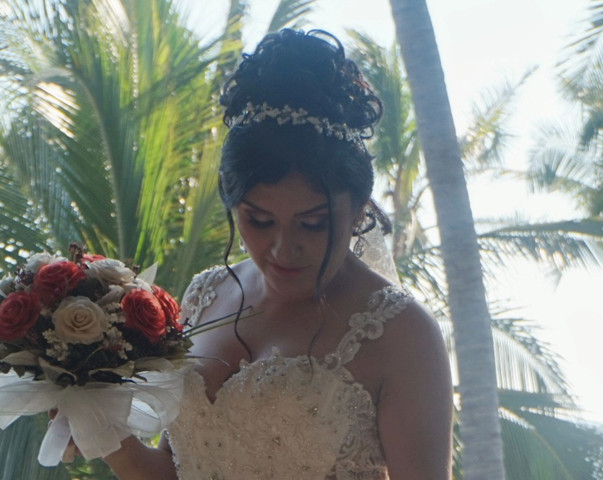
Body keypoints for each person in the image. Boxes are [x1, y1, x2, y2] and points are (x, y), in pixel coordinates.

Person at [96, 28, 453, 479]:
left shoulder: (402, 334)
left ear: (360, 209)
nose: (284, 248)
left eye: (313, 223)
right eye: (259, 220)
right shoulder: (205, 294)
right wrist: (98, 424)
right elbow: (175, 469)